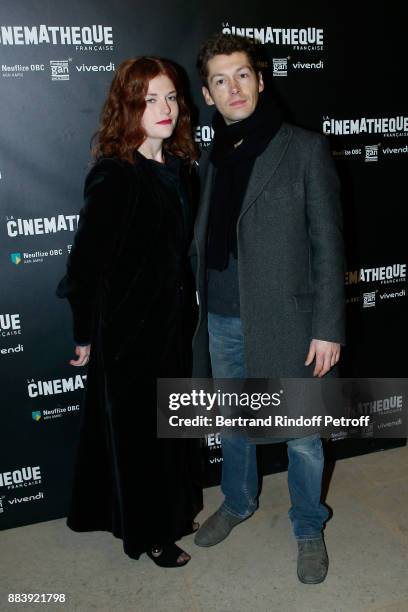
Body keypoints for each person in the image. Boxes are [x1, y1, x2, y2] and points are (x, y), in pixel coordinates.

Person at [191, 34, 345, 584]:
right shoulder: (213, 156)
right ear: (207, 93)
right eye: (219, 80)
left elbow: (327, 243)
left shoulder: (303, 147)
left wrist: (329, 326)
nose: (233, 88)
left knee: (302, 435)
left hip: (292, 320)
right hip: (224, 320)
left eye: (241, 75)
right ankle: (237, 502)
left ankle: (308, 527)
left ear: (259, 79)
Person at [57, 57, 203, 567]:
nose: (163, 109)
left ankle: (171, 511)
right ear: (129, 107)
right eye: (148, 99)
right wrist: (84, 333)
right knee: (142, 439)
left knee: (169, 430)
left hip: (172, 327)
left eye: (170, 97)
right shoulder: (116, 174)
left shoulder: (180, 167)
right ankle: (151, 534)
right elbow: (85, 266)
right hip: (128, 333)